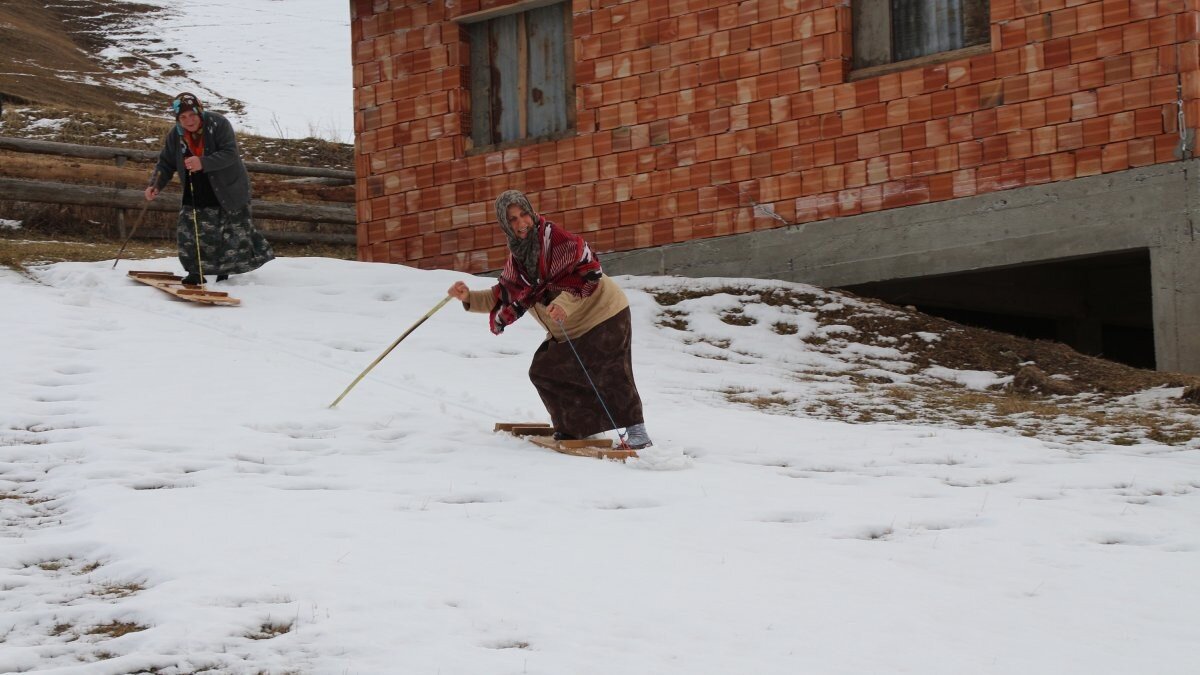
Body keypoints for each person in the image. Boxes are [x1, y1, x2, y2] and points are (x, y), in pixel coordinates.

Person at [448, 190, 653, 449]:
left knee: (610, 370)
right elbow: (502, 295)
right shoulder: (519, 260)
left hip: (605, 312)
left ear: (532, 213)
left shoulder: (558, 241)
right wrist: (468, 297)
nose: (521, 223)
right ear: (505, 225)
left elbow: (588, 275)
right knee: (545, 371)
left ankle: (638, 432)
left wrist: (563, 304)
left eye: (524, 214)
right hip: (569, 328)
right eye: (512, 219)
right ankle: (578, 427)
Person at [144, 92, 273, 286]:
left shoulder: (218, 124)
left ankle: (224, 272)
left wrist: (202, 162)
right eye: (183, 117)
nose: (188, 120)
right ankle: (195, 272)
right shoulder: (175, 135)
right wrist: (155, 184)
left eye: (192, 115)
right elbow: (165, 163)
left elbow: (230, 153)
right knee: (190, 232)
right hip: (196, 188)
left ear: (200, 111)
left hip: (228, 188)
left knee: (229, 233)